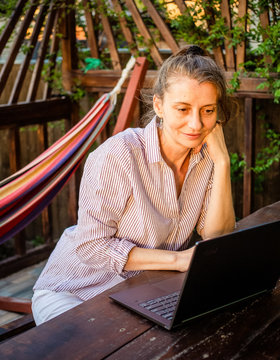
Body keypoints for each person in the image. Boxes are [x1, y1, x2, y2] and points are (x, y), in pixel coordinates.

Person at [31, 45, 236, 325]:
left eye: (208, 110)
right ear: (159, 105)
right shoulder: (119, 155)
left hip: (139, 293)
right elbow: (91, 246)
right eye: (183, 109)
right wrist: (177, 261)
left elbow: (217, 235)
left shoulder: (206, 156)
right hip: (75, 291)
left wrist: (223, 162)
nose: (196, 123)